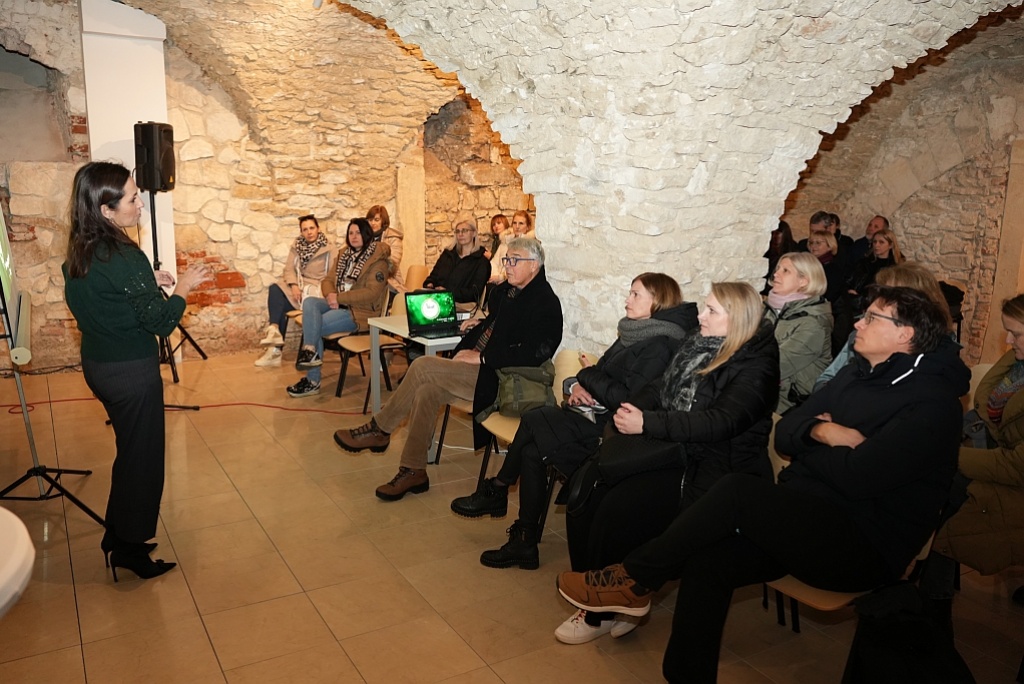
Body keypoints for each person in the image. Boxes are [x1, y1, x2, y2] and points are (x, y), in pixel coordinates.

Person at [556, 286, 969, 683]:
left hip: (863, 543)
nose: (857, 323)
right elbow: (786, 433)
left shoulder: (932, 405)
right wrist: (824, 433)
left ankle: (634, 577)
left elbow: (860, 477)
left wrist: (813, 444)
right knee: (707, 561)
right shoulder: (856, 373)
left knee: (737, 489)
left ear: (905, 334)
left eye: (872, 317)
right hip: (804, 515)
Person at [556, 282, 779, 645]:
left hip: (719, 472)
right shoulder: (698, 343)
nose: (701, 316)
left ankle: (610, 605)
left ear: (738, 320)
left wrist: (648, 423)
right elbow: (662, 386)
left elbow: (720, 423)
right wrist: (634, 408)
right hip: (679, 451)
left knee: (617, 507)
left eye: (711, 311)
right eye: (704, 307)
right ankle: (606, 599)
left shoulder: (757, 363)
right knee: (590, 489)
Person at [449, 273, 698, 570]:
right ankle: (524, 541)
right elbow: (601, 374)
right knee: (531, 452)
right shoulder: (635, 332)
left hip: (611, 432)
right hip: (592, 414)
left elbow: (629, 399)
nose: (627, 300)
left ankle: (499, 488)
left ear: (657, 301)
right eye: (629, 293)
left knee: (534, 419)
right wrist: (577, 386)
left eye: (635, 295)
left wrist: (587, 376)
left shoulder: (660, 345)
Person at [62, 161, 211, 581]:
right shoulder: (126, 256)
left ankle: (117, 535)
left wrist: (146, 282)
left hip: (99, 365)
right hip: (130, 373)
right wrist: (182, 289)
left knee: (130, 454)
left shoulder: (81, 247)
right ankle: (129, 549)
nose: (140, 204)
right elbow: (160, 323)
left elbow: (102, 298)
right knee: (143, 461)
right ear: (106, 210)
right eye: (131, 198)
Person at [334, 237, 562, 501]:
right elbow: (501, 325)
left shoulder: (545, 302)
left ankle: (380, 429)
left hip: (501, 380)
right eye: (506, 259)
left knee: (422, 366)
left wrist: (482, 358)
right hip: (481, 370)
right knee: (427, 391)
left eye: (514, 260)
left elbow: (536, 352)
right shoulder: (509, 292)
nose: (507, 265)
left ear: (534, 265)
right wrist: (481, 322)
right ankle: (413, 470)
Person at [933, 293, 1024, 579]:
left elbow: (1017, 466)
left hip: (1013, 470)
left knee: (952, 484)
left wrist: (950, 454)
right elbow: (986, 409)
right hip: (990, 443)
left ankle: (934, 588)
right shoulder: (1017, 361)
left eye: (1016, 334)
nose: (1008, 341)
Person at [287, 218, 389, 398]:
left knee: (314, 325)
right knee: (310, 303)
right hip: (339, 303)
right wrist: (330, 296)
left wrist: (339, 298)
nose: (354, 236)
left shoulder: (378, 260)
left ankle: (312, 381)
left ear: (366, 234)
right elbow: (327, 280)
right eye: (351, 233)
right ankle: (310, 351)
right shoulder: (344, 255)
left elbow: (372, 293)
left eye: (358, 233)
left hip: (360, 312)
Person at [815, 261, 954, 391]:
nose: (878, 300)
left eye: (889, 295)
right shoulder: (860, 334)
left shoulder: (937, 349)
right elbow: (825, 379)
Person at [254, 214, 333, 367]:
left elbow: (332, 276)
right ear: (301, 232)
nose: (309, 232)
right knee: (275, 289)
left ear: (318, 229)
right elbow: (289, 269)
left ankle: (274, 352)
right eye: (305, 229)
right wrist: (294, 285)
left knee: (280, 307)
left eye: (312, 228)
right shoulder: (297, 246)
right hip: (299, 289)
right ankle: (274, 329)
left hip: (315, 293)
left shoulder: (329, 249)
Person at [764, 252, 832, 412]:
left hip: (789, 403)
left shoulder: (813, 323)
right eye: (777, 268)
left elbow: (776, 365)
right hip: (766, 390)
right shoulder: (770, 309)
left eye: (785, 271)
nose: (776, 274)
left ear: (803, 281)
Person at [833, 226, 905, 356]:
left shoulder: (896, 268)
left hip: (879, 306)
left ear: (890, 245)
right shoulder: (864, 263)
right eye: (875, 242)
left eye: (881, 242)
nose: (877, 245)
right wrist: (851, 292)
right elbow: (848, 281)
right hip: (855, 304)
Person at [421, 217, 491, 308]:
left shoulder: (481, 262)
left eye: (464, 231)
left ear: (474, 233)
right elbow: (433, 276)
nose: (460, 234)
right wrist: (430, 284)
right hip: (438, 301)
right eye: (458, 231)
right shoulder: (447, 255)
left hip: (462, 306)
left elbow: (474, 293)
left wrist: (448, 292)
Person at [489, 210, 536, 284]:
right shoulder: (505, 241)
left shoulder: (529, 246)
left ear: (528, 227)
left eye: (521, 223)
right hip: (498, 282)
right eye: (514, 223)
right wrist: (495, 276)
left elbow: (523, 270)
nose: (517, 227)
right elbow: (494, 263)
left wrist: (501, 277)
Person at [367, 205, 404, 289]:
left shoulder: (393, 238)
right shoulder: (364, 238)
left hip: (389, 281)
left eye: (376, 220)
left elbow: (392, 267)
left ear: (383, 221)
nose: (373, 223)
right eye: (370, 220)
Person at [761, 220, 797, 295]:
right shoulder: (767, 250)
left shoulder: (793, 252)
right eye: (772, 233)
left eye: (777, 233)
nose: (774, 236)